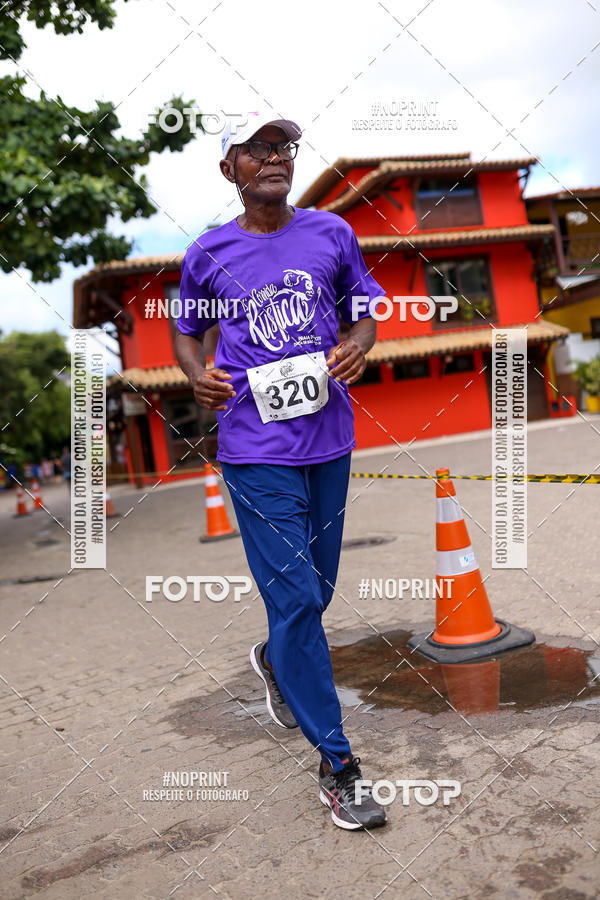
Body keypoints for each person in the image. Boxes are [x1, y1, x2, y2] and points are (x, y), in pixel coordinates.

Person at [175, 112, 387, 830]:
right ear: (229, 168)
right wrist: (199, 374)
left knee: (316, 589)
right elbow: (185, 330)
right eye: (257, 148)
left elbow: (364, 311)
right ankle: (339, 766)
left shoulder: (331, 233)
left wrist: (358, 345)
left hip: (330, 440)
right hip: (253, 449)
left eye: (283, 147)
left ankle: (274, 655)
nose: (275, 157)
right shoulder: (208, 252)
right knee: (298, 596)